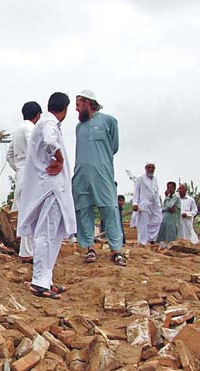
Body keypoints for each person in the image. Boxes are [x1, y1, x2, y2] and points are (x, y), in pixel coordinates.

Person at [17, 92, 76, 299]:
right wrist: (58, 158)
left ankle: (46, 279)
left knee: (54, 236)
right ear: (64, 108)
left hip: (54, 189)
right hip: (51, 189)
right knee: (46, 234)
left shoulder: (45, 123)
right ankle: (39, 282)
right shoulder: (48, 123)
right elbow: (51, 141)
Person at [72, 89, 126, 266]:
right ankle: (89, 249)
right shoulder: (79, 127)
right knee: (83, 210)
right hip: (82, 175)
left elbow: (114, 146)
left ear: (88, 103)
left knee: (109, 209)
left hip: (103, 174)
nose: (76, 109)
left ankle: (116, 250)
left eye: (78, 104)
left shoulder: (109, 121)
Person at [6, 101, 42, 263]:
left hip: (21, 174)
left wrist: (19, 168)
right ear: (38, 115)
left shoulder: (17, 131)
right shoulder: (30, 130)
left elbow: (9, 155)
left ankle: (20, 247)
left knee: (20, 212)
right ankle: (27, 252)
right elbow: (35, 150)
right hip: (31, 176)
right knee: (30, 214)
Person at [131, 163, 162, 245]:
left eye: (152, 168)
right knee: (143, 225)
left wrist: (158, 204)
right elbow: (136, 191)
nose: (151, 169)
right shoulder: (140, 179)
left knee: (158, 220)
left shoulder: (155, 179)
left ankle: (151, 239)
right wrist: (135, 203)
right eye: (149, 167)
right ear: (145, 168)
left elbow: (156, 192)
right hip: (143, 205)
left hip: (154, 205)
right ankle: (142, 242)